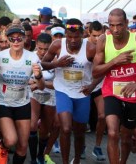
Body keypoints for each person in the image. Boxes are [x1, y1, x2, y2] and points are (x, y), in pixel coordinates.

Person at [92, 8, 136, 164]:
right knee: (112, 133)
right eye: (112, 25)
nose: (115, 29)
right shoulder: (103, 40)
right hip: (112, 92)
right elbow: (95, 72)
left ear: (126, 23)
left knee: (126, 136)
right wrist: (115, 61)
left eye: (119, 25)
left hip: (135, 94)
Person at [41, 19, 98, 164]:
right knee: (65, 128)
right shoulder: (57, 45)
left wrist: (92, 86)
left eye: (76, 37)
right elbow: (43, 64)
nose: (73, 40)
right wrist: (56, 63)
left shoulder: (90, 48)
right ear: (66, 34)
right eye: (70, 36)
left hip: (82, 92)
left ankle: (77, 159)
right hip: (63, 90)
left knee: (79, 132)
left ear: (82, 34)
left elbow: (101, 71)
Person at [0, 25, 44, 164]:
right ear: (7, 40)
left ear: (24, 39)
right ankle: (2, 145)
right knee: (11, 140)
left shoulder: (32, 58)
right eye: (12, 39)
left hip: (22, 104)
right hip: (3, 102)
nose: (16, 41)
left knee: (22, 146)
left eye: (19, 38)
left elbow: (41, 86)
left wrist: (38, 76)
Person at [30, 33, 59, 164]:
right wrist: (33, 84)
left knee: (45, 130)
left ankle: (41, 155)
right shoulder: (29, 57)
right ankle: (32, 159)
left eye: (46, 49)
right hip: (33, 94)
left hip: (50, 94)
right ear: (36, 45)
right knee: (32, 125)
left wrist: (39, 84)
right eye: (40, 48)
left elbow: (57, 84)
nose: (42, 52)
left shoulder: (56, 59)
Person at [87, 21, 107, 161]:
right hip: (82, 87)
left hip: (98, 85)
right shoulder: (82, 45)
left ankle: (97, 146)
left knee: (102, 116)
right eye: (94, 35)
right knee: (80, 120)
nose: (97, 38)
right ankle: (81, 146)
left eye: (100, 35)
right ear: (88, 32)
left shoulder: (106, 45)